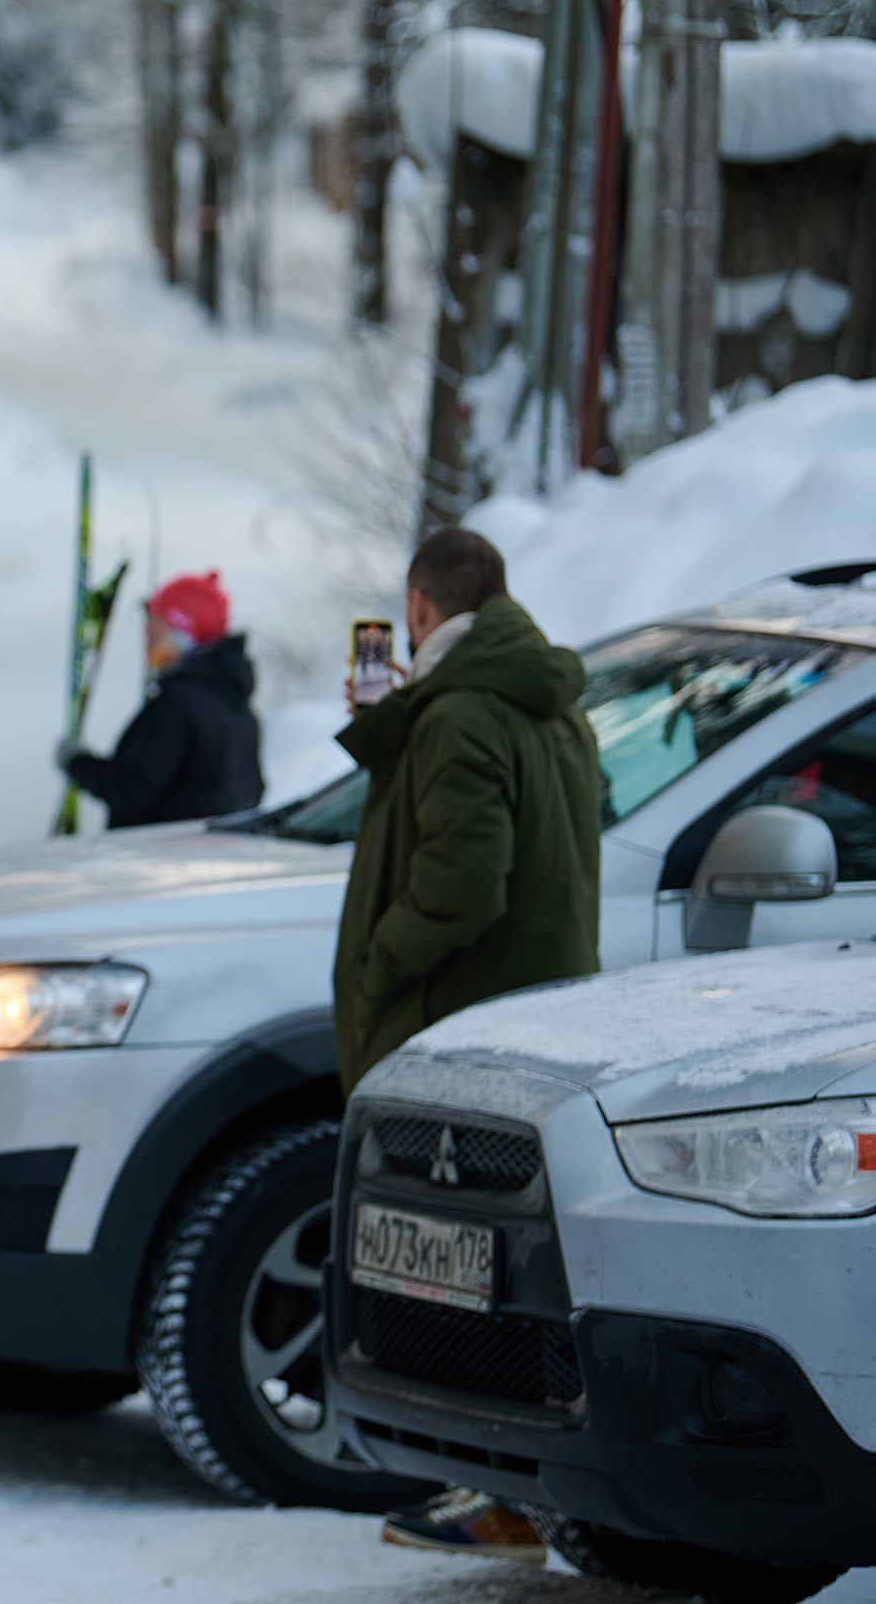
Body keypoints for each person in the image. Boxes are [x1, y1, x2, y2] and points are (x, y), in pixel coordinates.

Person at [333, 527, 601, 1565]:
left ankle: (491, 1496)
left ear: (417, 611)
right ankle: (508, 1498)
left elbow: (462, 880)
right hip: (525, 1012)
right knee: (499, 1265)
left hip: (453, 1022)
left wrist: (378, 965)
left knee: (452, 1269)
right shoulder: (543, 699)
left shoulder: (460, 711)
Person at [58, 570, 264, 827]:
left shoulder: (179, 706)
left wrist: (77, 763)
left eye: (157, 622)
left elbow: (129, 790)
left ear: (183, 630)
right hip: (206, 856)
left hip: (162, 858)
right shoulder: (233, 702)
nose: (146, 631)